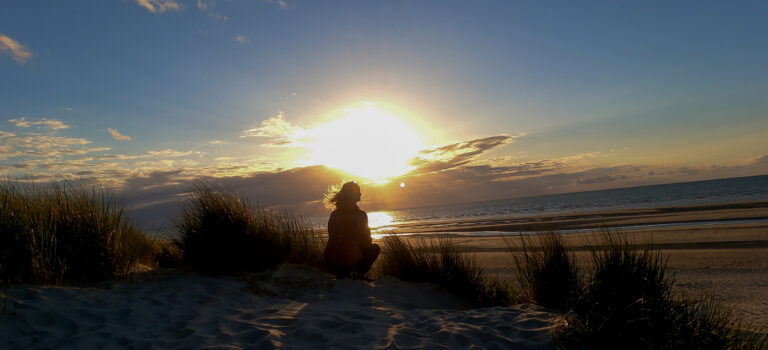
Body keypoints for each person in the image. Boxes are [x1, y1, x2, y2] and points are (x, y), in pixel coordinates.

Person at [323, 181, 380, 280]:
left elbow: (332, 235)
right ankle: (358, 274)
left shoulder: (334, 214)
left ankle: (343, 272)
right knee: (374, 248)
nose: (360, 194)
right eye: (358, 192)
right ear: (352, 195)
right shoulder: (360, 215)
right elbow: (366, 240)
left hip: (330, 258)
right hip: (348, 258)